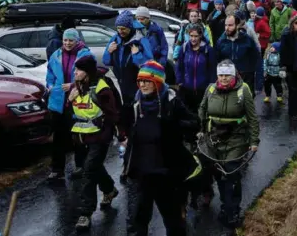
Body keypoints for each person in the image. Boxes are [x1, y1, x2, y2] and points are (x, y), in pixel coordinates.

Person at [123, 61, 201, 236]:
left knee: (173, 220)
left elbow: (194, 123)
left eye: (147, 81)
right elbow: (129, 132)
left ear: (157, 82)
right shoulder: (135, 103)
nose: (142, 85)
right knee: (137, 220)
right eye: (140, 81)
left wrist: (173, 125)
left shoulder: (171, 102)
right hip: (140, 172)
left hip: (166, 172)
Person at [198, 60, 259, 231]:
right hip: (214, 137)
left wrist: (254, 141)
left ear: (233, 75)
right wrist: (202, 130)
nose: (224, 79)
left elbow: (252, 117)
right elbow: (202, 109)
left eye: (227, 75)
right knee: (218, 173)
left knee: (231, 171)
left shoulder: (243, 90)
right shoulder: (210, 89)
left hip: (236, 138)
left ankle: (233, 210)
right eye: (221, 75)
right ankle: (226, 203)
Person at [69, 55, 121, 231]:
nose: (75, 72)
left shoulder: (102, 89)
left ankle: (86, 213)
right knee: (94, 168)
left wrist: (107, 135)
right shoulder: (76, 86)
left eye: (79, 70)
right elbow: (69, 112)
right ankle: (110, 190)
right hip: (82, 137)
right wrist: (69, 99)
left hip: (99, 138)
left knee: (89, 172)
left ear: (88, 72)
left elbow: (112, 115)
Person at [46, 28, 92, 180]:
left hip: (77, 100)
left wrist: (73, 85)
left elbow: (89, 76)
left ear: (77, 40)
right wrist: (50, 85)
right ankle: (57, 169)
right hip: (58, 101)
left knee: (78, 134)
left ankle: (81, 166)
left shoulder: (85, 55)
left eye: (71, 40)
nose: (67, 43)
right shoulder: (56, 54)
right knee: (58, 136)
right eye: (65, 40)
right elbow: (50, 73)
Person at [102, 11, 153, 137]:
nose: (120, 31)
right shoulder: (115, 39)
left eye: (123, 28)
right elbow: (106, 61)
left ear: (130, 27)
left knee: (136, 113)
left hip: (136, 84)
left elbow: (148, 64)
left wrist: (136, 55)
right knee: (122, 113)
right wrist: (109, 51)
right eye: (118, 28)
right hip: (120, 83)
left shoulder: (140, 40)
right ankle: (125, 138)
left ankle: (138, 137)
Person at [214, 15, 263, 93]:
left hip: (246, 81)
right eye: (226, 25)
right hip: (227, 82)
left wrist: (258, 84)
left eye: (230, 25)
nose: (227, 28)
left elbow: (258, 61)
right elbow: (215, 62)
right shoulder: (221, 41)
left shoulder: (247, 40)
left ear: (237, 25)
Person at [176, 24, 216, 114]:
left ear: (200, 36)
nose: (193, 39)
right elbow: (179, 66)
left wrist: (211, 86)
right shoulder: (184, 48)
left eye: (196, 36)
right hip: (186, 89)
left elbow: (212, 69)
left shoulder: (208, 50)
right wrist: (180, 81)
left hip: (203, 89)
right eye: (191, 36)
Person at [279, 15, 297, 120]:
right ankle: (293, 113)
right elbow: (283, 52)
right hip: (291, 68)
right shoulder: (286, 36)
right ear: (294, 24)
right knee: (293, 91)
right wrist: (283, 67)